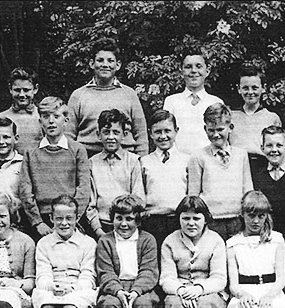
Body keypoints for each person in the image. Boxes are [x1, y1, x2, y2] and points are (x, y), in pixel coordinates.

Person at [156, 195, 230, 308]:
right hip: (179, 289)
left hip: (208, 290)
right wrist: (181, 291)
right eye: (185, 218)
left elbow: (220, 278)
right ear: (179, 219)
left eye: (196, 218)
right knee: (175, 303)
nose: (191, 223)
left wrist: (198, 289)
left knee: (203, 305)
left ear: (205, 219)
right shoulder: (170, 241)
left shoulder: (215, 240)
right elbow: (166, 278)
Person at [32, 195, 98, 308]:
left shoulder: (87, 243)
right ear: (51, 218)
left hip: (78, 290)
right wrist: (51, 286)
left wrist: (73, 288)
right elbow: (42, 273)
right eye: (59, 218)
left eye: (69, 218)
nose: (64, 223)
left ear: (77, 218)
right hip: (51, 287)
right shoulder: (44, 243)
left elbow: (88, 274)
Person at [95, 194, 159, 308]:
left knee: (144, 304)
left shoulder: (147, 240)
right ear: (112, 219)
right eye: (119, 218)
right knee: (109, 304)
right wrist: (119, 292)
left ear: (138, 220)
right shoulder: (105, 241)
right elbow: (105, 272)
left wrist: (135, 292)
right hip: (114, 288)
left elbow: (149, 271)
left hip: (141, 287)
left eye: (129, 219)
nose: (123, 224)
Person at [18, 97, 91, 240]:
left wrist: (72, 218)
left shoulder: (77, 150)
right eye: (46, 117)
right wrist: (37, 222)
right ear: (40, 121)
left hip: (70, 218)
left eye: (56, 116)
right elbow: (25, 189)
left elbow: (84, 188)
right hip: (42, 220)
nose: (51, 121)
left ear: (66, 120)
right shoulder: (31, 152)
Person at [67, 37, 148, 157]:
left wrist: (142, 162)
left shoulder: (129, 94)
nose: (105, 65)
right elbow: (68, 134)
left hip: (125, 158)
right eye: (100, 60)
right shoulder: (78, 95)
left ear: (118, 65)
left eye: (110, 61)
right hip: (87, 157)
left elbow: (140, 134)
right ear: (92, 63)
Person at [187, 103, 253, 241]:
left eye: (220, 129)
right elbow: (194, 196)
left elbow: (248, 190)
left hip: (237, 219)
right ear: (205, 129)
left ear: (230, 128)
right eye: (211, 130)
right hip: (211, 221)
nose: (215, 134)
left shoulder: (241, 155)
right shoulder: (198, 157)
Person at [86, 109, 145, 237]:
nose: (111, 137)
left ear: (124, 135)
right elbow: (90, 204)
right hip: (102, 226)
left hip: (128, 226)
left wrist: (129, 226)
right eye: (106, 132)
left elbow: (138, 198)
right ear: (98, 134)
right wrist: (98, 230)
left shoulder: (133, 161)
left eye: (116, 132)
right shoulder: (91, 163)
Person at [140, 110, 190, 249]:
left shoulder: (187, 160)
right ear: (150, 133)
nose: (163, 136)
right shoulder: (144, 162)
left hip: (178, 220)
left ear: (176, 131)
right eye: (157, 132)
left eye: (167, 131)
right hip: (152, 222)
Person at [163, 47, 224, 156]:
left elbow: (220, 136)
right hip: (179, 163)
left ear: (207, 71)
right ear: (182, 71)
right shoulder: (172, 102)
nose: (194, 71)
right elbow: (166, 134)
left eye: (199, 66)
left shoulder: (215, 102)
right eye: (188, 67)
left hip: (209, 161)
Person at [229, 65, 282, 173]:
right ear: (239, 89)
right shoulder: (231, 117)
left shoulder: (272, 118)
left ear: (263, 88)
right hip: (236, 167)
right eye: (245, 88)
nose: (250, 92)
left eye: (254, 87)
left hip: (263, 168)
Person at [0, 67, 43, 154]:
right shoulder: (2, 117)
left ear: (35, 89)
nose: (21, 94)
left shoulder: (42, 116)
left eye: (26, 90)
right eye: (17, 90)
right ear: (10, 89)